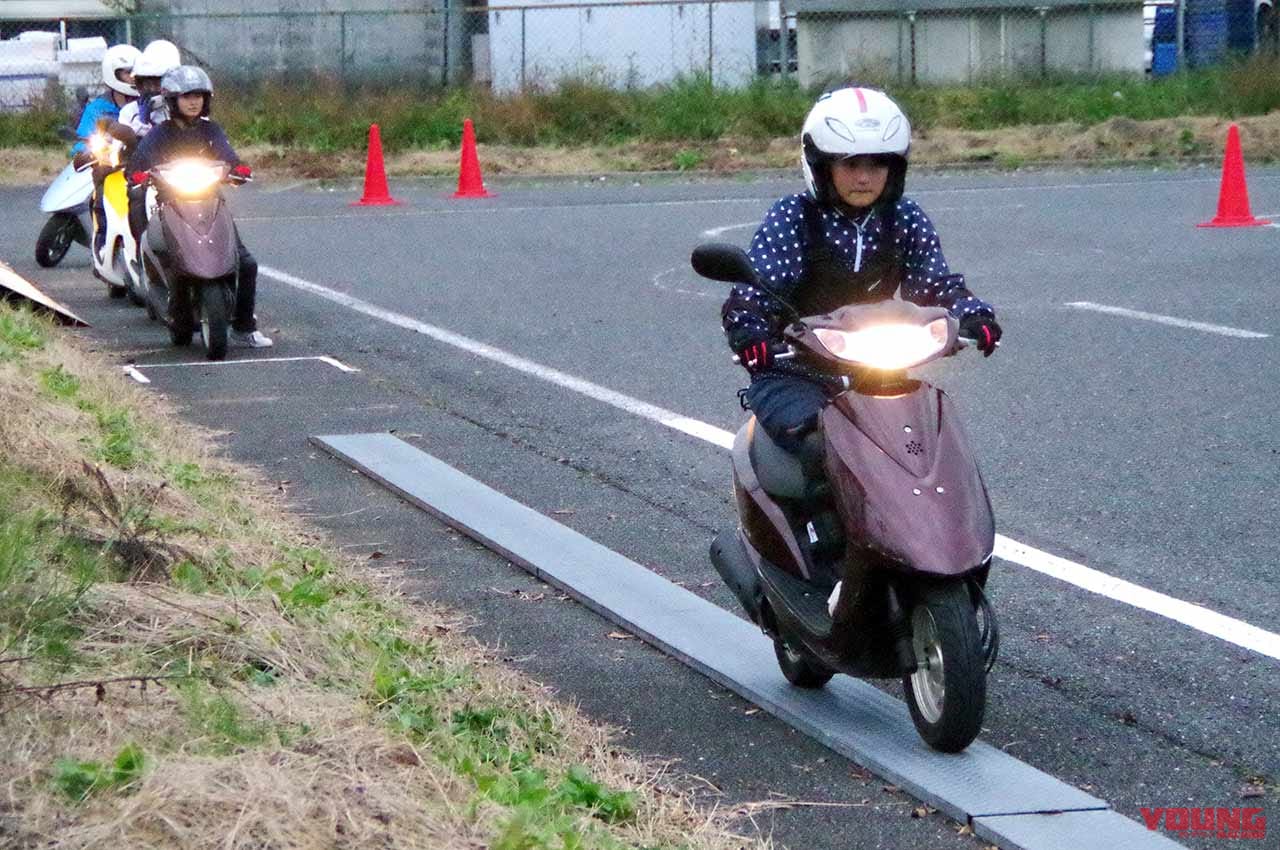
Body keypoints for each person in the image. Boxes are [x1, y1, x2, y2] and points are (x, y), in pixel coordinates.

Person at [722, 85, 1002, 457]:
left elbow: (933, 283)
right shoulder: (794, 217)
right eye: (851, 164)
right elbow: (758, 288)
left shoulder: (904, 218)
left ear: (896, 167)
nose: (864, 178)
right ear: (821, 165)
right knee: (821, 445)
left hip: (875, 373)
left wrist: (973, 317)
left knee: (932, 441)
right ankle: (810, 518)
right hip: (795, 372)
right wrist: (751, 332)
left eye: (877, 164)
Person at [128, 65, 273, 348]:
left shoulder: (211, 130)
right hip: (172, 206)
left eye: (198, 95)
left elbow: (229, 156)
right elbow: (138, 162)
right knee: (172, 260)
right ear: (172, 100)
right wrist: (137, 175)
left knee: (246, 263)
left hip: (211, 205)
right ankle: (172, 307)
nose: (193, 101)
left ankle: (244, 326)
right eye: (186, 96)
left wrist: (239, 169)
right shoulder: (159, 134)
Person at [72, 44, 139, 257]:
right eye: (127, 72)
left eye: (135, 72)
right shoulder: (97, 108)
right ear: (113, 73)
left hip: (140, 164)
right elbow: (84, 137)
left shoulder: (146, 102)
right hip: (109, 168)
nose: (132, 77)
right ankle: (103, 245)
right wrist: (86, 151)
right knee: (100, 199)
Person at [118, 40, 182, 244]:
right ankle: (142, 248)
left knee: (215, 196)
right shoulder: (130, 112)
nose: (151, 88)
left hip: (183, 172)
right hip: (147, 175)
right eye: (146, 83)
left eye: (157, 82)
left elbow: (205, 130)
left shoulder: (184, 108)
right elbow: (122, 139)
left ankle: (230, 253)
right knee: (137, 198)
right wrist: (142, 121)